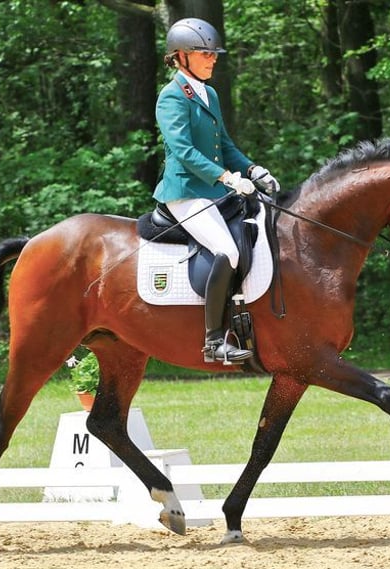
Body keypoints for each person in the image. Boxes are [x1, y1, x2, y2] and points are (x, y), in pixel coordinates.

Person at [153, 17, 280, 364]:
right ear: (181, 56)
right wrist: (228, 178)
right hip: (185, 192)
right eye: (204, 54)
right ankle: (213, 342)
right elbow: (184, 151)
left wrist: (253, 169)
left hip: (213, 191)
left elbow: (224, 144)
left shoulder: (209, 93)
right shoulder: (171, 97)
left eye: (214, 55)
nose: (212, 60)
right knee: (228, 250)